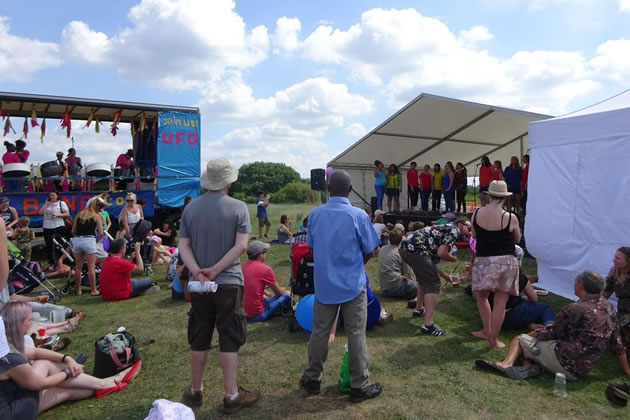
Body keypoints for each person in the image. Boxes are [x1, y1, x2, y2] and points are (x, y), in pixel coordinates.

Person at [177, 157, 259, 413]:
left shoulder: (190, 209)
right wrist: (215, 270)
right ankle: (231, 395)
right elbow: (242, 246)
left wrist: (197, 272)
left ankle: (195, 390)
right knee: (229, 337)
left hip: (199, 285)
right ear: (229, 181)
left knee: (199, 336)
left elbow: (183, 245)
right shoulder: (239, 207)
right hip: (229, 282)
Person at [300, 169, 382, 402]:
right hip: (353, 285)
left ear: (328, 189)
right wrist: (357, 265)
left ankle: (312, 378)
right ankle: (359, 385)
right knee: (356, 334)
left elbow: (313, 248)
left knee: (319, 332)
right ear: (349, 190)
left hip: (325, 284)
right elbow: (369, 249)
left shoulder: (315, 214)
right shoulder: (357, 215)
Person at [475, 271, 630, 381]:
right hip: (584, 368)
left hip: (565, 362)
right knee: (534, 345)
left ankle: (505, 365)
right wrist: (626, 370)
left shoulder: (575, 309)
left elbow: (552, 333)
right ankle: (528, 366)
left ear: (581, 285)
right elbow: (617, 344)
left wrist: (532, 333)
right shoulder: (610, 308)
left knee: (520, 340)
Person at [0, 301, 142, 417]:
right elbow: (40, 384)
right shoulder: (9, 359)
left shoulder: (7, 349)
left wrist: (67, 358)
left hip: (12, 399)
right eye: (29, 320)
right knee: (48, 371)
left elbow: (35, 352)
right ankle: (106, 383)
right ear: (17, 323)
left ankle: (103, 385)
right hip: (10, 412)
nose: (31, 324)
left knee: (65, 390)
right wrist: (67, 372)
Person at [470, 181, 521, 349]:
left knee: (482, 296)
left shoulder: (476, 213)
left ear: (489, 195)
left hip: (483, 260)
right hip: (506, 261)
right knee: (500, 301)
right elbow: (517, 239)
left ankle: (486, 330)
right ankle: (492, 340)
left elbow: (475, 236)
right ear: (505, 197)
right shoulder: (510, 217)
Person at [400, 217, 471, 335]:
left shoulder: (444, 229)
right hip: (416, 250)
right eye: (468, 228)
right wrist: (452, 258)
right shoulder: (454, 230)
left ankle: (418, 309)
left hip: (405, 248)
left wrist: (446, 276)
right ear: (460, 224)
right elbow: (441, 253)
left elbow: (431, 265)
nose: (469, 233)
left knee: (425, 279)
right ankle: (428, 325)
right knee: (433, 284)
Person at [484, 245, 555, 331]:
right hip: (514, 313)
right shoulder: (519, 277)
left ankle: (530, 325)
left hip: (493, 318)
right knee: (544, 308)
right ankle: (549, 328)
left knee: (523, 309)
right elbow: (534, 299)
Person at [243, 241, 290, 322]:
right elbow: (279, 293)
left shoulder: (242, 266)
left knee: (266, 297)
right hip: (257, 315)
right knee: (287, 294)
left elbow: (248, 285)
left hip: (242, 313)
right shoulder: (266, 269)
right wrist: (284, 289)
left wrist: (264, 291)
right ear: (261, 255)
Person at [71, 199, 105, 296]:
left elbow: (73, 231)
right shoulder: (96, 216)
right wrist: (96, 241)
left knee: (78, 267)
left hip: (77, 240)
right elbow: (101, 233)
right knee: (91, 267)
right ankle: (93, 289)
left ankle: (78, 290)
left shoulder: (79, 214)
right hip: (89, 240)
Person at [603, 247, 630, 352]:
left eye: (618, 258)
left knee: (620, 326)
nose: (614, 260)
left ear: (628, 261)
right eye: (615, 256)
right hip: (622, 311)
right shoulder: (614, 272)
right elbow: (606, 294)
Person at [378, 228, 416, 300]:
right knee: (422, 287)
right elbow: (407, 276)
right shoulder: (402, 252)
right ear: (402, 239)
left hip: (384, 287)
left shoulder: (382, 249)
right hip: (395, 286)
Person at [39, 192, 70, 266]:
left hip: (58, 226)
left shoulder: (61, 203)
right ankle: (52, 261)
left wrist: (57, 215)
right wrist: (46, 204)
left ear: (57, 196)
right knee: (49, 245)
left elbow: (67, 214)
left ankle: (61, 261)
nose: (51, 196)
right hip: (47, 226)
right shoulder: (47, 203)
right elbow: (40, 212)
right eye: (50, 195)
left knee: (59, 244)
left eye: (53, 195)